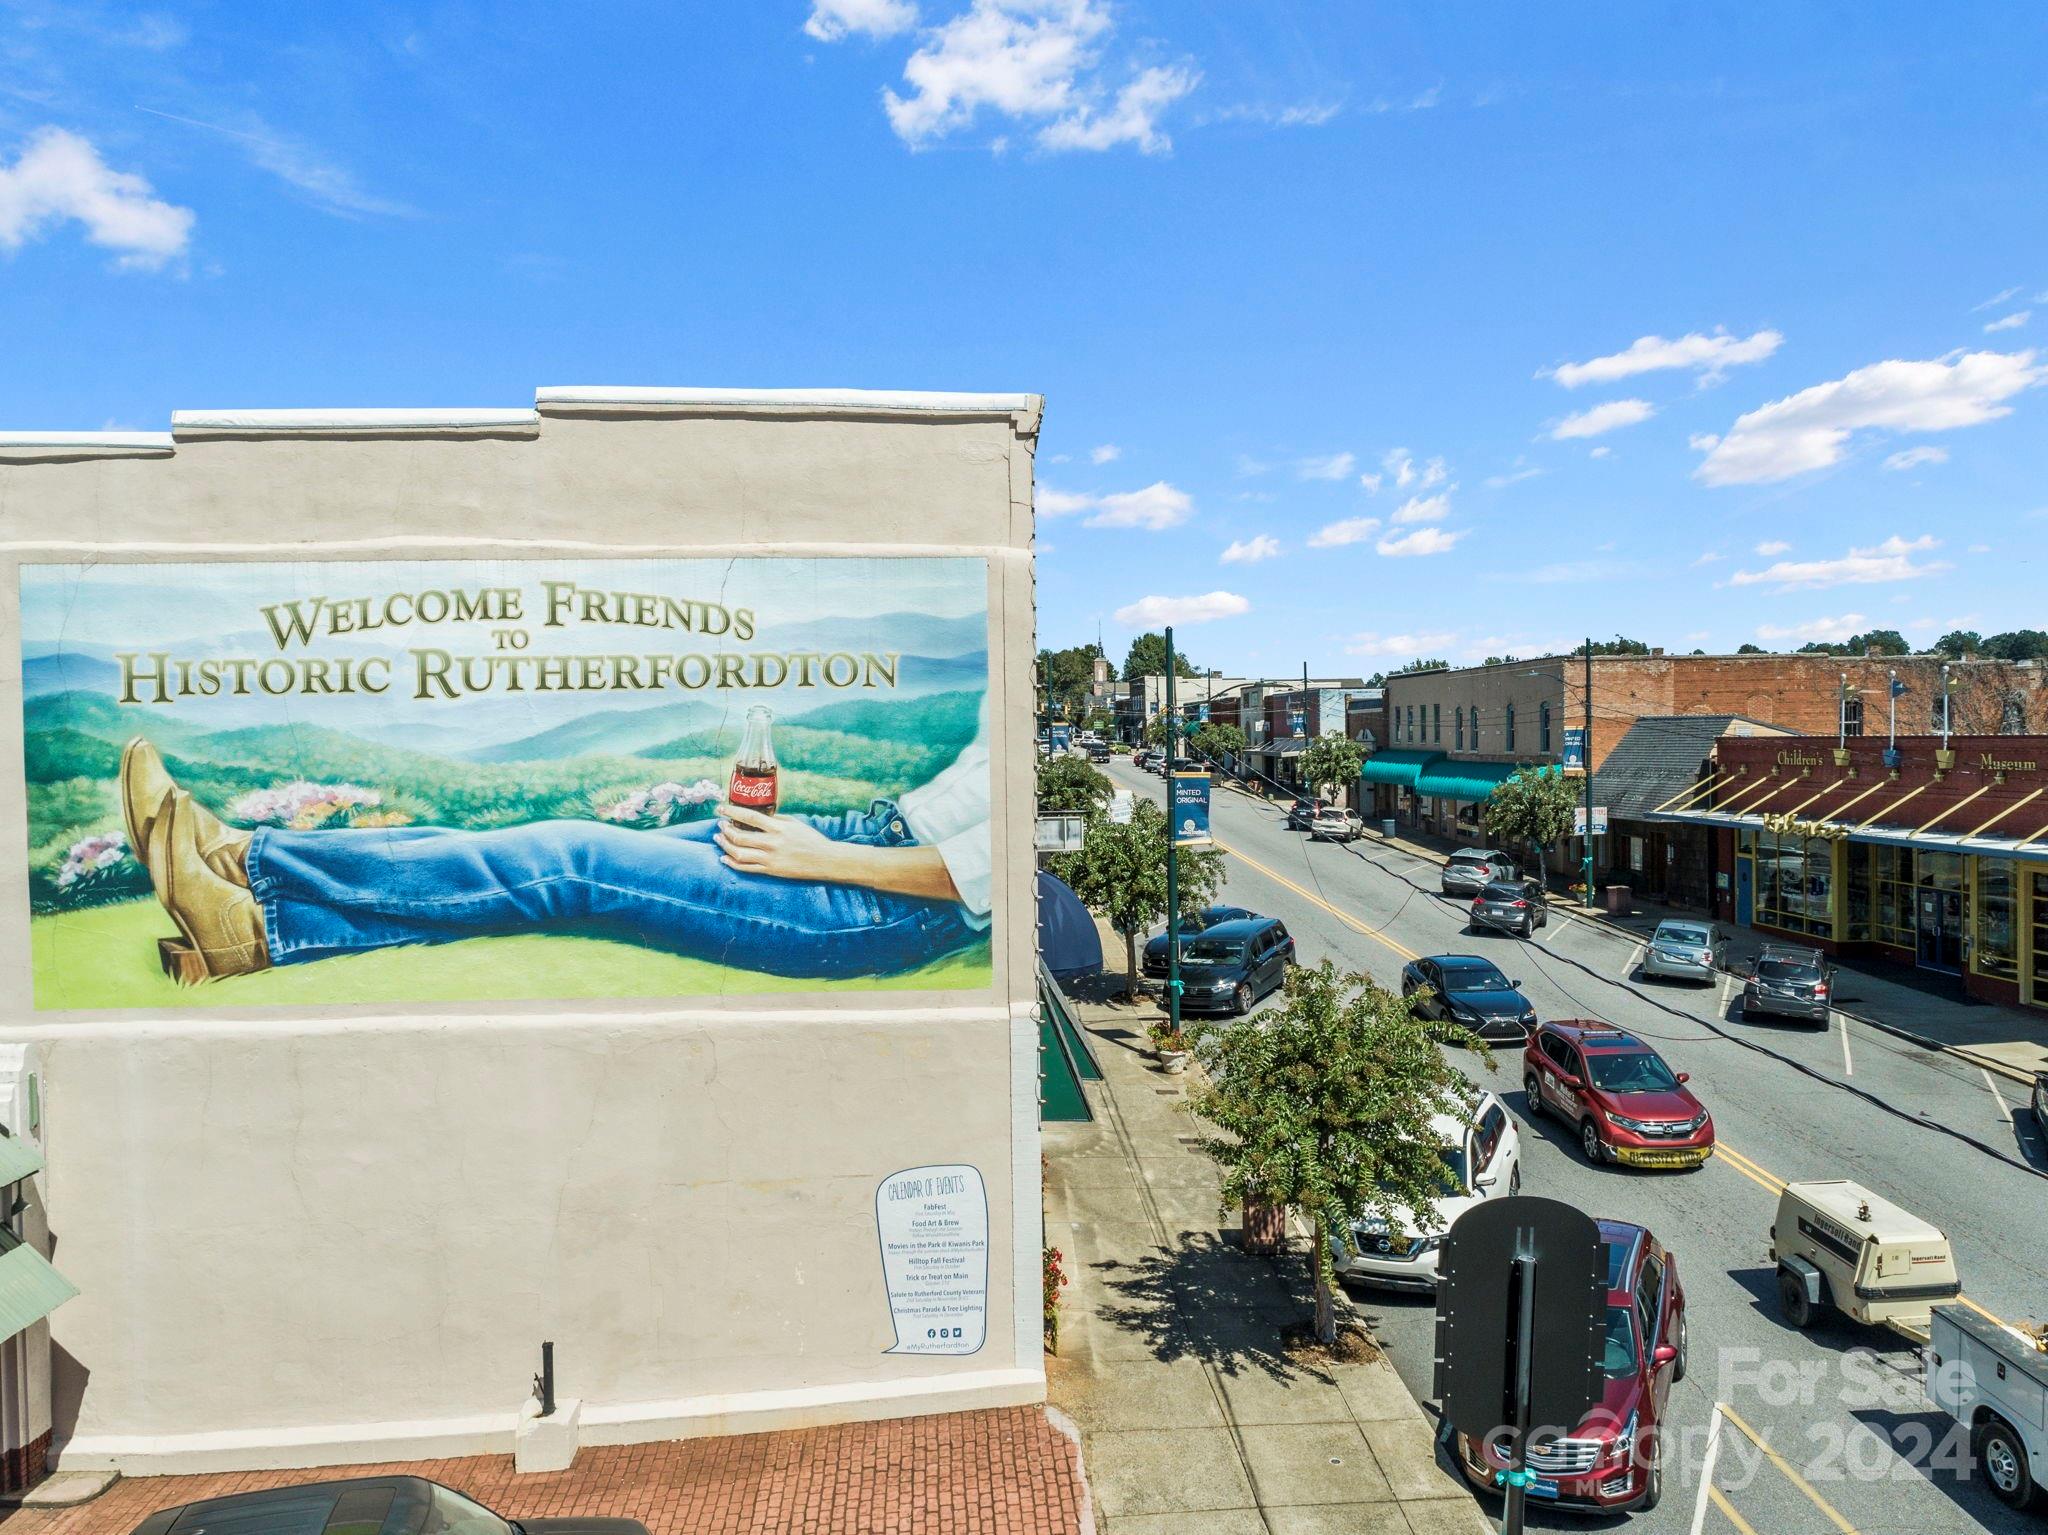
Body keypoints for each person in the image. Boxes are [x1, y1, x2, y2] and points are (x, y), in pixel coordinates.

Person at [118, 707, 992, 985]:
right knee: (517, 859)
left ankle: (247, 861)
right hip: (871, 839)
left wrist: (823, 859)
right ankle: (255, 935)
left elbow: (988, 866)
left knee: (570, 859)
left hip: (882, 897)